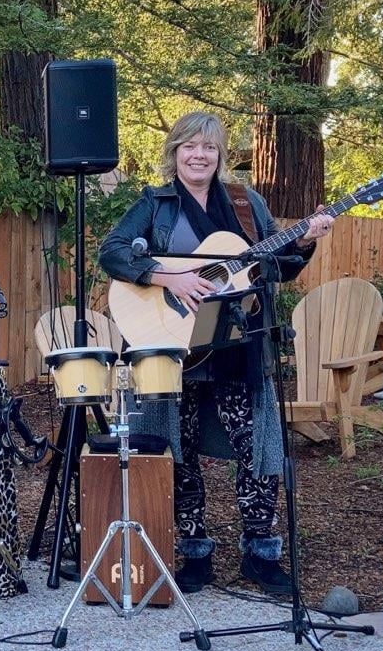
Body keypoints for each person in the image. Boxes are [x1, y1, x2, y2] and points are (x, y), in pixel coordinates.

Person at [98, 110, 333, 595]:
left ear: (220, 154)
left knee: (256, 449)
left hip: (238, 344)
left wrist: (306, 241)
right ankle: (195, 552)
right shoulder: (156, 202)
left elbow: (277, 266)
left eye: (208, 147)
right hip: (175, 347)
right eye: (190, 146)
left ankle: (261, 553)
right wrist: (169, 277)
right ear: (175, 152)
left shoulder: (246, 203)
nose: (199, 155)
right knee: (178, 451)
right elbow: (113, 251)